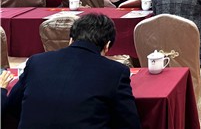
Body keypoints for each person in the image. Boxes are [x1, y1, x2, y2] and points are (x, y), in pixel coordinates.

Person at [4, 13, 141, 128]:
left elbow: (13, 105)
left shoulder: (36, 61)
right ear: (107, 45)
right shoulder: (116, 71)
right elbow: (129, 123)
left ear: (71, 40)